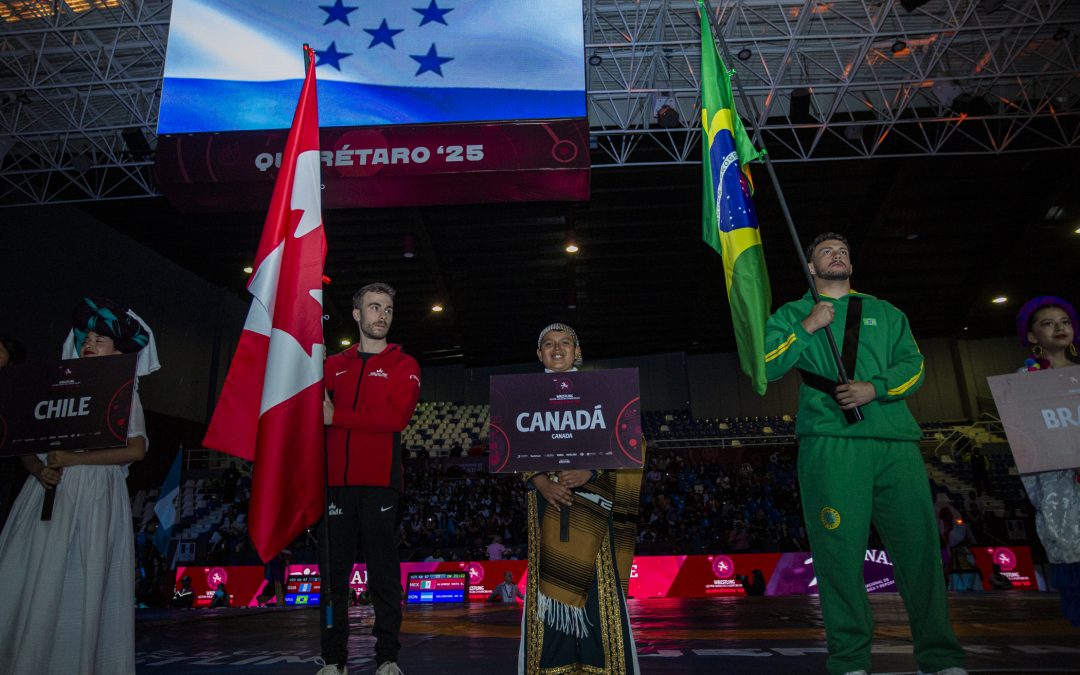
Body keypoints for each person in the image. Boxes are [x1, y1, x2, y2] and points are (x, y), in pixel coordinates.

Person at [764, 234, 966, 675]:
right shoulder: (793, 313)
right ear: (810, 267)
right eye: (825, 251)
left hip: (894, 440)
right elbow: (765, 365)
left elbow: (913, 366)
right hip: (829, 442)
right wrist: (808, 327)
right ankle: (850, 660)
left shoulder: (887, 312)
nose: (837, 254)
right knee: (837, 556)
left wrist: (875, 388)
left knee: (920, 553)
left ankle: (940, 658)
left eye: (843, 251)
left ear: (851, 265)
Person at [0, 296, 159, 673]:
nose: (89, 342)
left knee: (79, 581)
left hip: (93, 494)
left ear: (118, 350)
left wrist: (77, 459)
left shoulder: (123, 393)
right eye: (86, 337)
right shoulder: (55, 386)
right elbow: (26, 443)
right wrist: (40, 470)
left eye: (100, 339)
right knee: (31, 577)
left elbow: (136, 449)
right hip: (45, 492)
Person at [519, 323, 642, 675]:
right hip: (547, 504)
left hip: (594, 504)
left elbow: (631, 440)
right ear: (539, 354)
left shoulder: (604, 391)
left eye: (565, 343)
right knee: (549, 583)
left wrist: (591, 471)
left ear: (578, 352)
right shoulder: (522, 396)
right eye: (548, 344)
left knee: (597, 587)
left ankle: (602, 665)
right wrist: (541, 482)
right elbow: (511, 449)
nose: (557, 349)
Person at [317, 282, 421, 675]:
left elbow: (395, 419)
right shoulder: (333, 365)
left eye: (389, 309)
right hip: (334, 486)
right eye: (374, 307)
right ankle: (332, 660)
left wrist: (337, 416)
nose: (382, 315)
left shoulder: (404, 365)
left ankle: (388, 658)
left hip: (380, 485)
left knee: (383, 577)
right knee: (332, 580)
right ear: (358, 314)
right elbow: (308, 411)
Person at [1013, 296, 1080, 625]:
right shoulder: (1024, 379)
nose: (1059, 328)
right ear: (1032, 337)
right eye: (1048, 323)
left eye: (1065, 322)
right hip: (1060, 488)